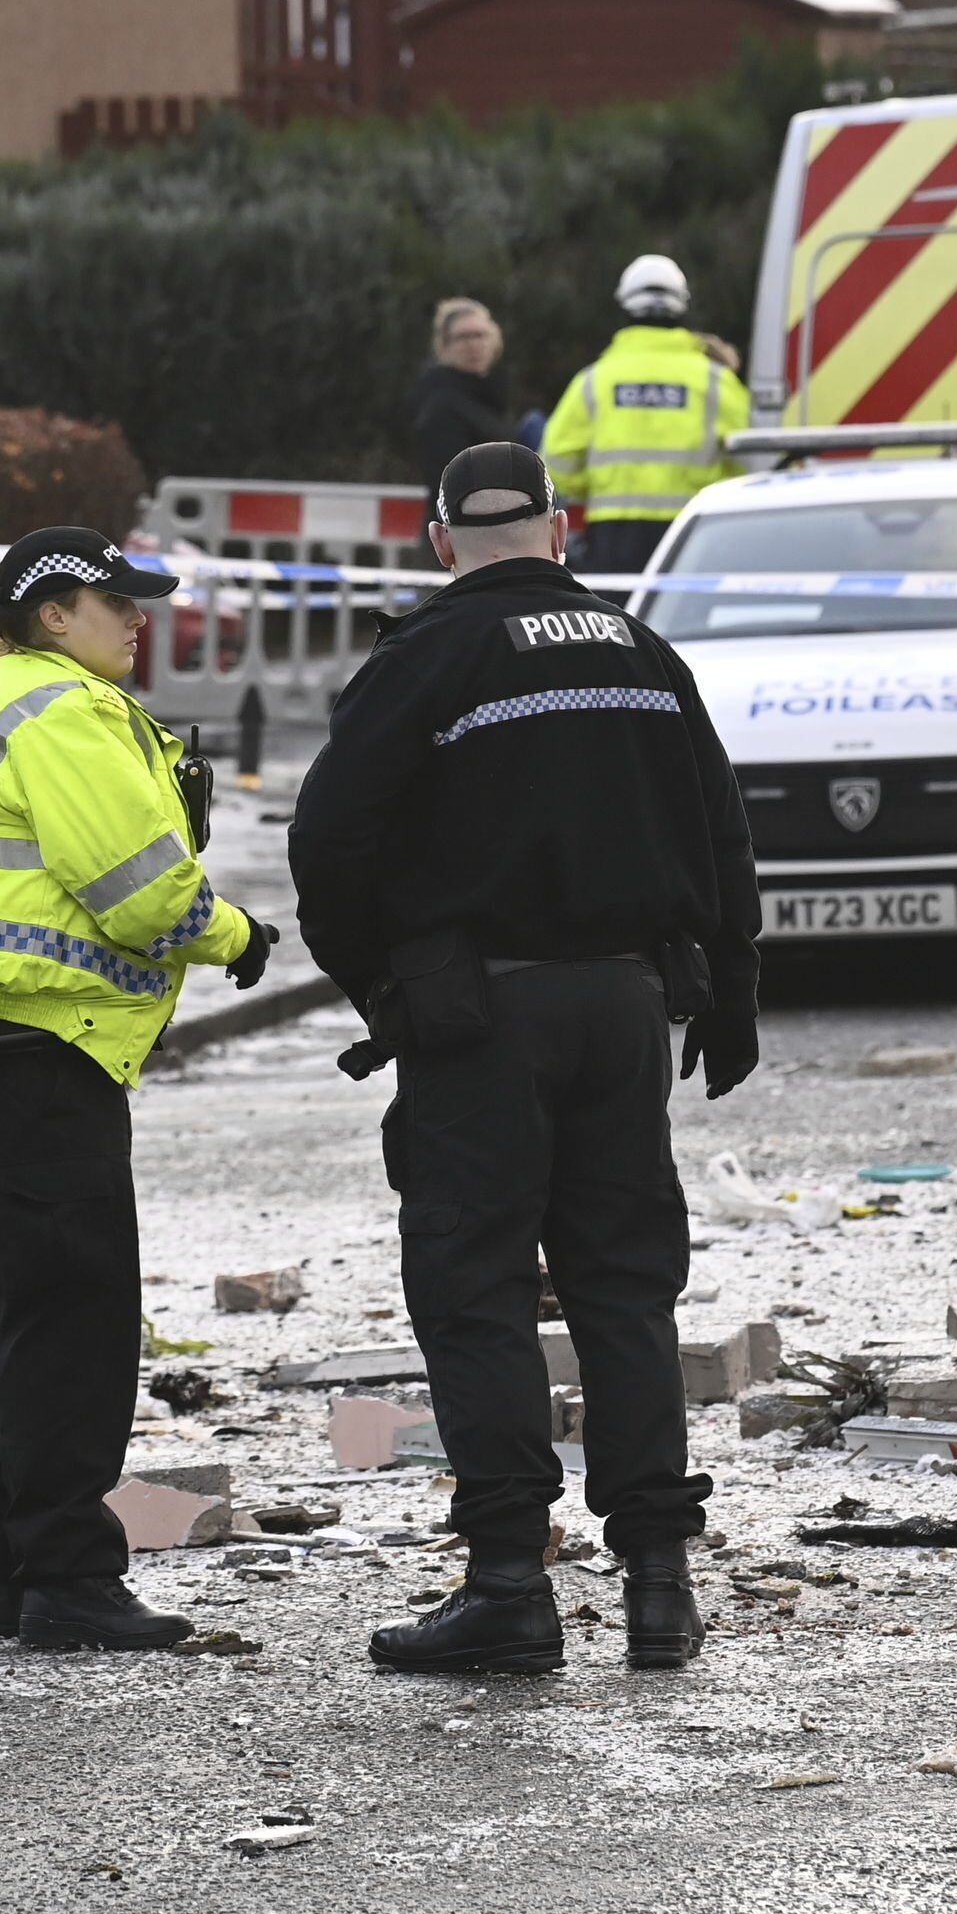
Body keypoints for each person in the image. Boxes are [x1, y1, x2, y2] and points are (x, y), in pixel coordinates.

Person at [289, 442, 760, 1677]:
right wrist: (731, 990)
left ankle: (507, 1580)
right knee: (623, 1283)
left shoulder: (423, 659)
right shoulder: (644, 655)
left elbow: (326, 842)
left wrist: (383, 985)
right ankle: (658, 1581)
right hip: (625, 1005)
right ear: (565, 529)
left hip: (478, 1018)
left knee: (476, 1284)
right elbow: (722, 830)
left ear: (438, 540)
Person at [0, 526, 278, 1655]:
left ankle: (7, 1562)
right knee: (69, 1322)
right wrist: (241, 934)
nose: (138, 617)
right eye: (118, 600)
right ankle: (68, 1573)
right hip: (42, 1048)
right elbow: (143, 893)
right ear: (54, 611)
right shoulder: (65, 711)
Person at [541, 253, 751, 577]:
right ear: (682, 304)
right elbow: (751, 461)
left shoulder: (596, 379)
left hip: (615, 533)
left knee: (620, 625)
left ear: (625, 305)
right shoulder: (715, 380)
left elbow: (556, 462)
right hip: (696, 529)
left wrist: (597, 486)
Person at [415, 299, 514, 502]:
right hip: (460, 526)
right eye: (463, 337)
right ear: (444, 344)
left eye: (480, 335)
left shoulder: (493, 397)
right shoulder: (440, 403)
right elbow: (449, 482)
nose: (473, 345)